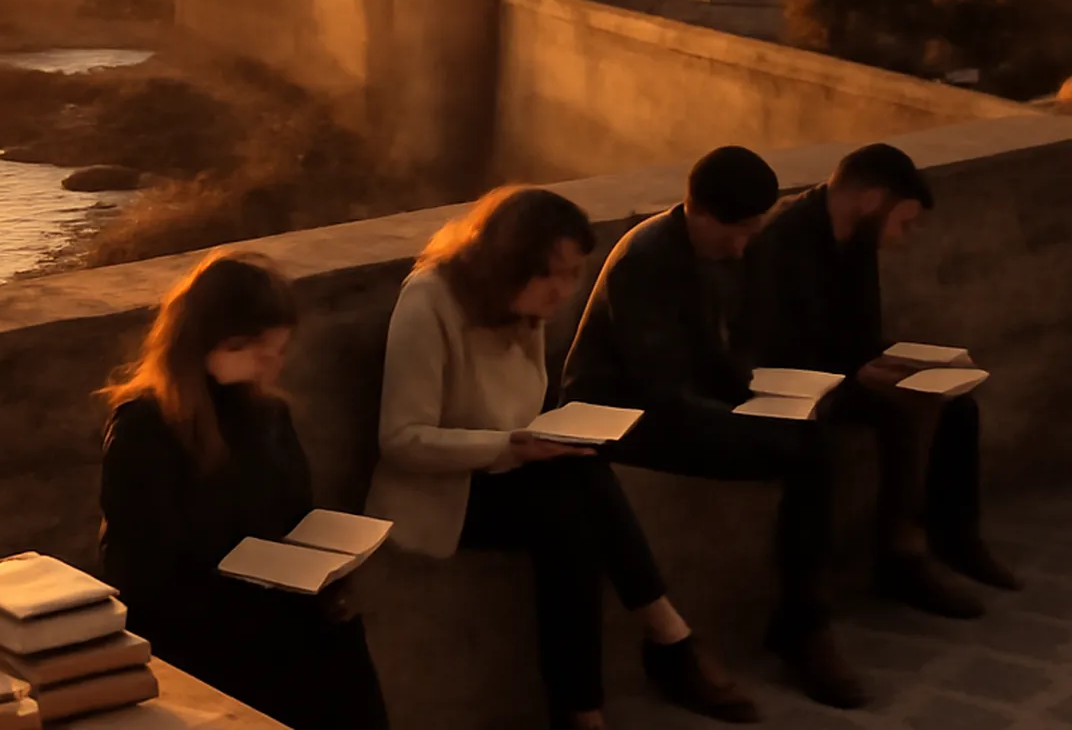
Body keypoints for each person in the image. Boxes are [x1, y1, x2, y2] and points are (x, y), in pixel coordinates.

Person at [366, 186, 760, 730]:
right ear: (510, 262)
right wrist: (507, 446)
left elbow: (522, 410)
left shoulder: (521, 307)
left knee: (576, 494)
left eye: (575, 273)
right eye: (555, 274)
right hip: (444, 489)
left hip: (511, 467)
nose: (566, 290)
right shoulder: (428, 302)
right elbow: (401, 439)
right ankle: (665, 643)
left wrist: (535, 440)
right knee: (570, 505)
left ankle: (586, 708)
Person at [561, 147, 866, 710]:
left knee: (817, 439)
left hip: (683, 403)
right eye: (738, 230)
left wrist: (772, 394)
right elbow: (661, 390)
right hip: (621, 414)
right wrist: (746, 417)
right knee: (802, 454)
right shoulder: (645, 259)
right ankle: (801, 629)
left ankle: (803, 620)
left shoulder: (714, 254)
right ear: (699, 211)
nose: (743, 244)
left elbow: (719, 354)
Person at [98, 252, 388, 730]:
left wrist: (332, 576)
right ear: (208, 343)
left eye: (278, 350)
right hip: (202, 631)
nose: (272, 365)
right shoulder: (145, 427)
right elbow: (142, 570)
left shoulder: (269, 415)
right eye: (258, 351)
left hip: (279, 613)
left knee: (342, 651)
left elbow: (297, 518)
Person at [740, 143, 1020, 619]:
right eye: (904, 222)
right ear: (870, 200)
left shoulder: (857, 238)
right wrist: (859, 373)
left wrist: (899, 362)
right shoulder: (784, 241)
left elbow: (861, 331)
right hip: (790, 382)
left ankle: (955, 538)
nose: (904, 236)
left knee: (956, 404)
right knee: (902, 412)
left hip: (839, 371)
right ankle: (900, 557)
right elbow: (776, 348)